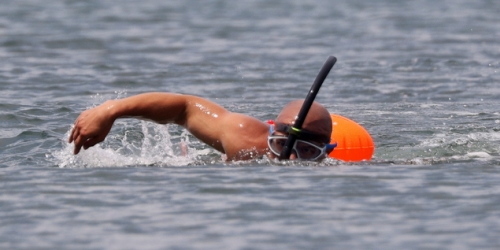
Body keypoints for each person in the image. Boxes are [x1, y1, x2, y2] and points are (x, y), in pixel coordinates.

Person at [67, 93, 335, 162]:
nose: (290, 159)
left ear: (327, 153)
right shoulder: (245, 138)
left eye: (307, 152)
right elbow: (186, 107)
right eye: (280, 146)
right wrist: (110, 110)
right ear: (269, 134)